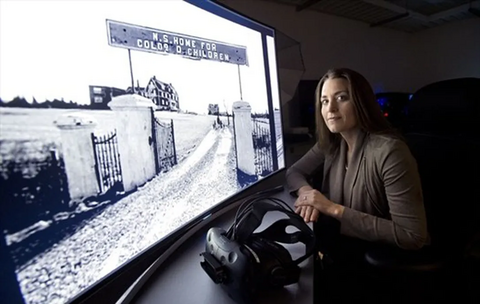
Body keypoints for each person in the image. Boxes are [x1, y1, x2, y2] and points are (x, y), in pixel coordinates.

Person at [285, 68, 429, 301]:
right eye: (324, 101)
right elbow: (294, 172)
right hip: (340, 249)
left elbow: (412, 235)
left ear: (361, 102)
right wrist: (308, 194)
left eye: (341, 97)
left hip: (374, 261)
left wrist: (331, 208)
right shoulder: (331, 143)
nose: (330, 109)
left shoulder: (390, 152)